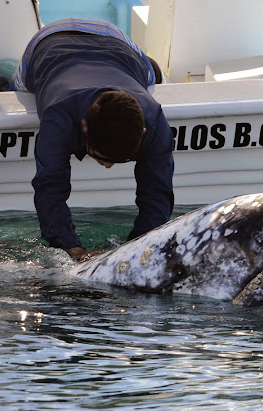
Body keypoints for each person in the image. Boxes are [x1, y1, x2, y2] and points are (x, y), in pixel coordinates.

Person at [12, 18, 174, 262]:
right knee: (17, 86)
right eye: (101, 157)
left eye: (120, 160)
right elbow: (49, 189)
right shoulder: (58, 119)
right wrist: (72, 250)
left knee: (152, 75)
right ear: (84, 127)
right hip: (47, 42)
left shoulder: (155, 120)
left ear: (143, 131)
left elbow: (158, 193)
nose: (107, 167)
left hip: (117, 41)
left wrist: (137, 249)